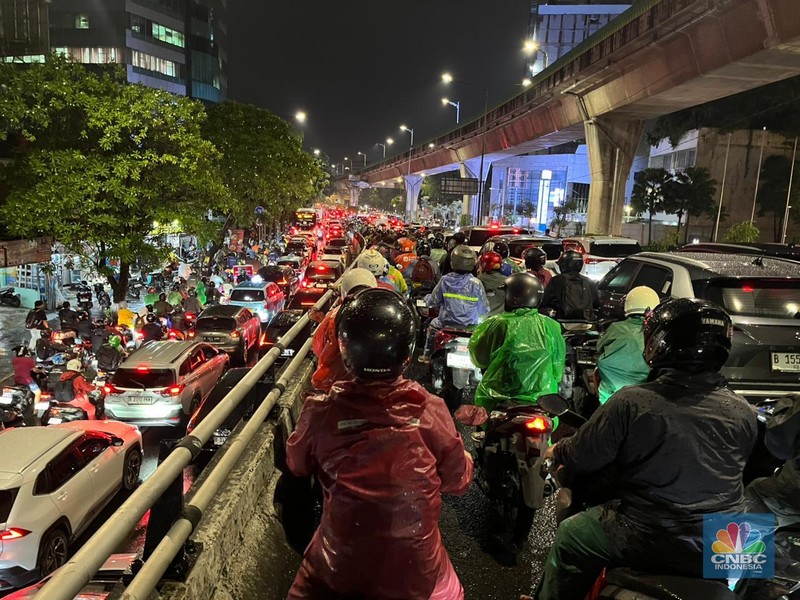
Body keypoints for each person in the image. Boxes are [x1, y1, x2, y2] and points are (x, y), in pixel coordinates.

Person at [538, 298, 758, 599]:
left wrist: (557, 451)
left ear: (659, 344)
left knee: (568, 537)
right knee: (753, 570)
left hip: (650, 532)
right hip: (728, 538)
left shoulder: (632, 402)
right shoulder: (743, 410)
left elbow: (584, 455)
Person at [286, 288, 473, 600]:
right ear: (407, 355)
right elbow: (458, 480)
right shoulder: (430, 409)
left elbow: (296, 462)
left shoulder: (322, 410)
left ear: (346, 351)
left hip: (336, 570)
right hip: (420, 574)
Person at [469, 273, 565, 412]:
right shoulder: (551, 325)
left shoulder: (497, 323)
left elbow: (479, 358)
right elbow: (557, 365)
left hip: (499, 396)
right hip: (542, 398)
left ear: (511, 297)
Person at [311, 268, 377, 392]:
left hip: (337, 384)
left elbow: (318, 347)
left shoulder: (335, 315)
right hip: (379, 384)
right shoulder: (382, 311)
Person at [420, 246, 489, 364]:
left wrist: (427, 299)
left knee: (432, 326)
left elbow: (434, 301)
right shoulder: (477, 283)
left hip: (446, 324)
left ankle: (426, 356)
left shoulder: (445, 280)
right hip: (470, 327)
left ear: (453, 262)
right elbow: (484, 308)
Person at [595, 286, 660, 404]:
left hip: (610, 393)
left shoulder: (615, 327)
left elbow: (599, 346)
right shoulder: (657, 332)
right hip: (644, 394)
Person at [745, 393, 800, 527]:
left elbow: (780, 446)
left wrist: (785, 405)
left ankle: (725, 546)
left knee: (756, 492)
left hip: (794, 494)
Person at [540, 250, 600, 320]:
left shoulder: (557, 280)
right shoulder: (589, 281)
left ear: (564, 265)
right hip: (587, 322)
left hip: (563, 321)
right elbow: (596, 304)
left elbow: (545, 301)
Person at [476, 251, 507, 317]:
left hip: (483, 318)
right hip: (501, 318)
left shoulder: (479, 280)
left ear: (484, 264)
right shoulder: (508, 280)